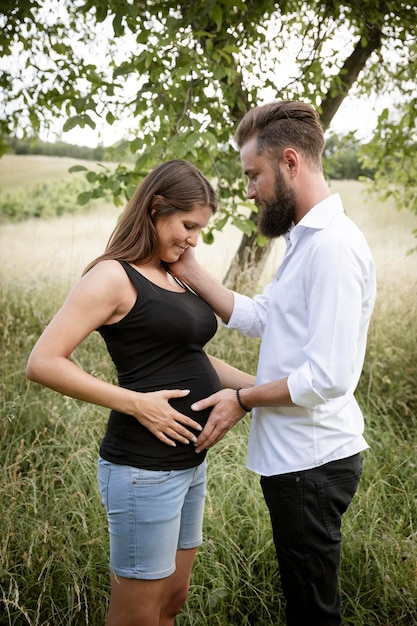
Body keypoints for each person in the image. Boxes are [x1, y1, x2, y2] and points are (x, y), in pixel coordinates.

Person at [169, 101, 377, 626]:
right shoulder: (304, 239)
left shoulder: (331, 248)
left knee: (312, 612)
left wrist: (242, 398)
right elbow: (268, 318)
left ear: (289, 163)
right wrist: (192, 270)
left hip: (312, 464)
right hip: (297, 460)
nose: (248, 190)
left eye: (253, 175)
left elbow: (328, 377)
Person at [26, 159, 255, 626]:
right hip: (142, 469)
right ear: (156, 208)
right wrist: (137, 403)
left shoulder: (174, 275)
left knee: (172, 600)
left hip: (190, 464)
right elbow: (43, 362)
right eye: (188, 225)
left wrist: (263, 389)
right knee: (136, 615)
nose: (193, 239)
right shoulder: (113, 276)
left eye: (201, 230)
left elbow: (187, 356)